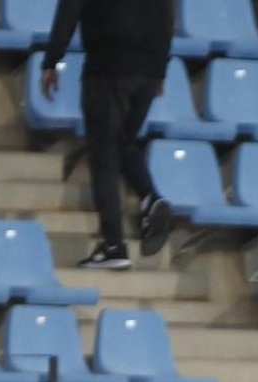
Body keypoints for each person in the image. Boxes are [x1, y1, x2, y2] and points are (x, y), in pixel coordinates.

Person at [41, 0, 175, 270]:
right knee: (122, 142)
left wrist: (51, 60)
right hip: (147, 70)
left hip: (109, 65)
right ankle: (150, 198)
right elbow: (168, 13)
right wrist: (159, 69)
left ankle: (114, 245)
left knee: (103, 155)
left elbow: (70, 8)